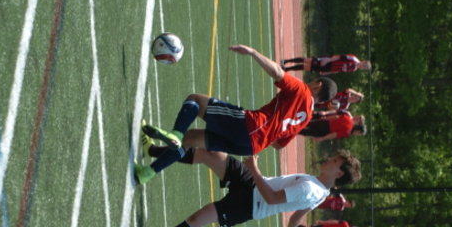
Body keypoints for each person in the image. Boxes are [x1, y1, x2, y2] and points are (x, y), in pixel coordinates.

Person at [134, 43, 338, 185]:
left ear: (318, 84)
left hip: (250, 126)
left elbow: (277, 72)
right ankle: (147, 172)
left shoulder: (301, 90)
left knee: (195, 100)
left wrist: (253, 52)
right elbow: (278, 145)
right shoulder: (306, 118)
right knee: (191, 139)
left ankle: (175, 134)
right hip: (249, 147)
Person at [137, 149, 362, 227]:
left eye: (334, 162)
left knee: (198, 218)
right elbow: (301, 212)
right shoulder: (322, 190)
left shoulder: (310, 189)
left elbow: (272, 198)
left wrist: (254, 169)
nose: (329, 159)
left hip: (249, 204)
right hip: (251, 184)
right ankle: (154, 152)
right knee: (211, 154)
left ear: (338, 174)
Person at [299, 112, 366, 143]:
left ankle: (294, 121)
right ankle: (293, 130)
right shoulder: (348, 132)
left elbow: (336, 117)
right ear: (358, 131)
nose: (357, 135)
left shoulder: (348, 117)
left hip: (326, 122)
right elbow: (334, 134)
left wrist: (326, 118)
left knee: (308, 123)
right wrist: (322, 138)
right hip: (326, 130)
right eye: (359, 134)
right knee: (306, 132)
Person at [281, 54, 371, 74]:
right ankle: (286, 61)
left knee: (307, 67)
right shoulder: (353, 59)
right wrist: (327, 60)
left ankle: (287, 69)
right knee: (308, 60)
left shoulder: (353, 69)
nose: (363, 67)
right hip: (329, 61)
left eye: (364, 68)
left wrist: (327, 72)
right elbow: (338, 57)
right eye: (364, 65)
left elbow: (338, 70)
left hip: (329, 68)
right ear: (363, 61)